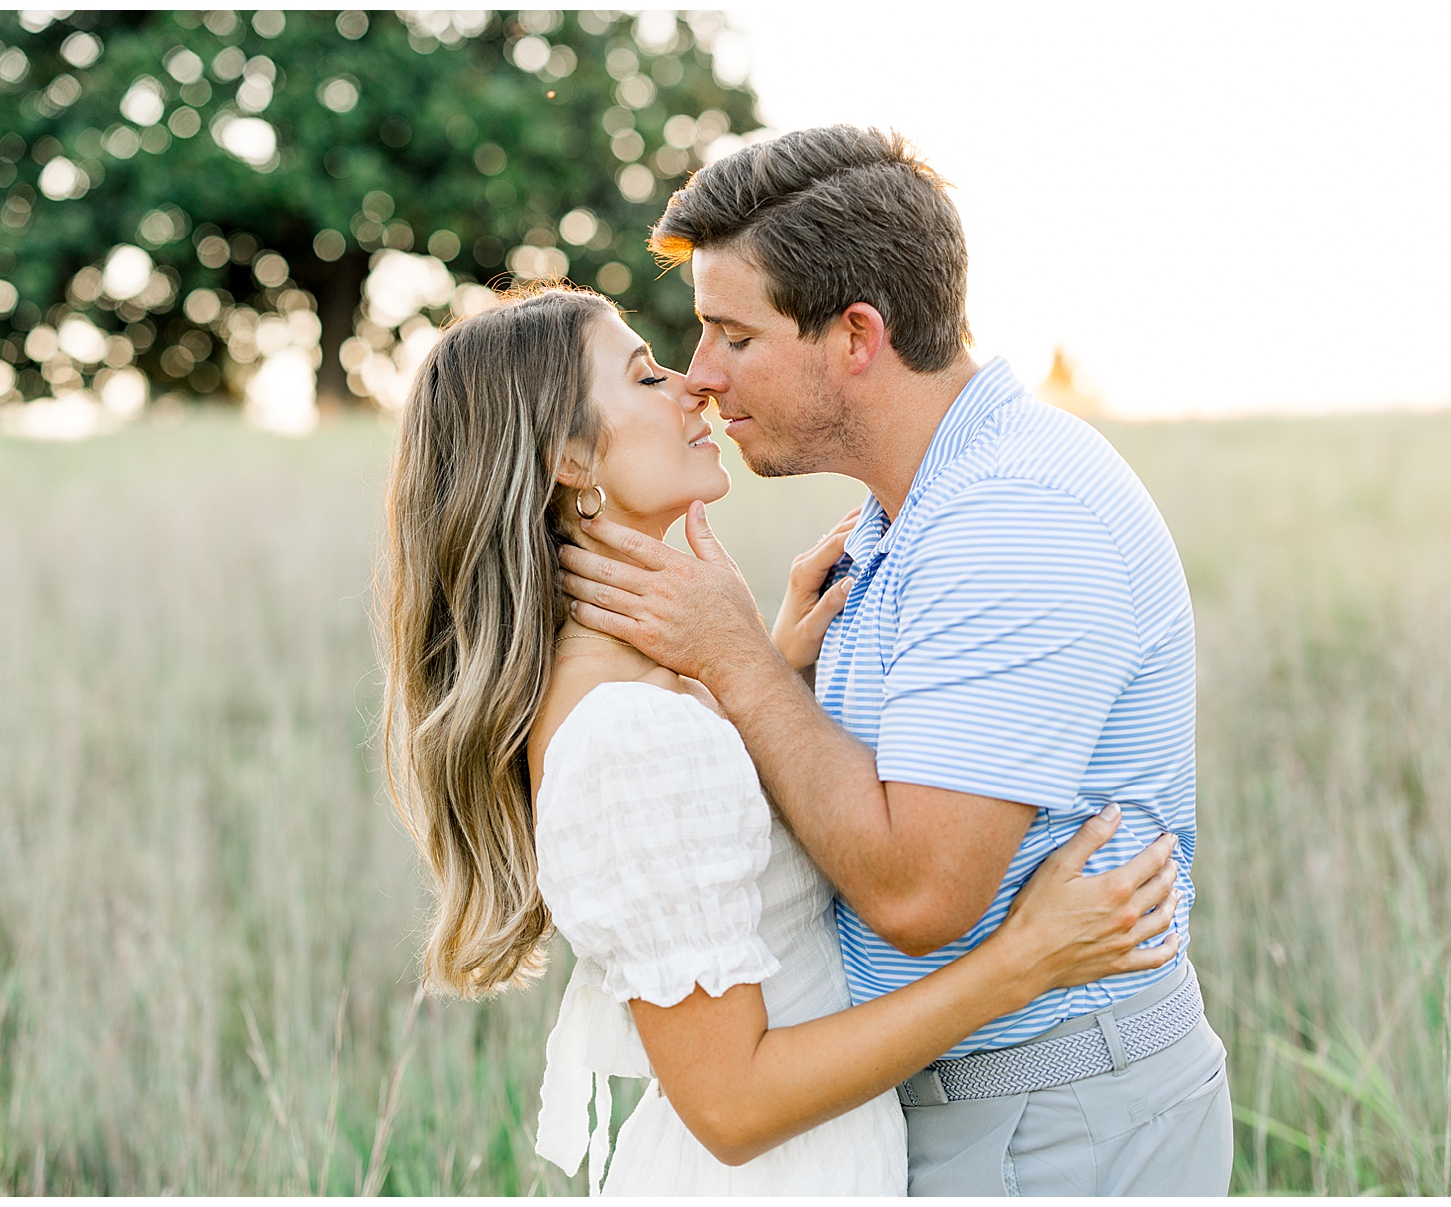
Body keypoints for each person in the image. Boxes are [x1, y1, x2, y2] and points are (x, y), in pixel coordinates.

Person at [378, 282, 1186, 1195]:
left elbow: (724, 862)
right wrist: (1022, 959)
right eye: (646, 376)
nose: (695, 385)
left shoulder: (651, 686)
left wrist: (765, 671)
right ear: (569, 458)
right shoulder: (630, 735)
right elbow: (732, 1105)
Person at [557, 126, 1234, 1195]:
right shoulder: (905, 513)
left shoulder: (1010, 519)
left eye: (733, 337)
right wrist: (766, 661)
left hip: (1043, 1122)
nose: (701, 379)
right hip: (948, 1099)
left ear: (856, 337)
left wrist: (736, 659)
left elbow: (922, 893)